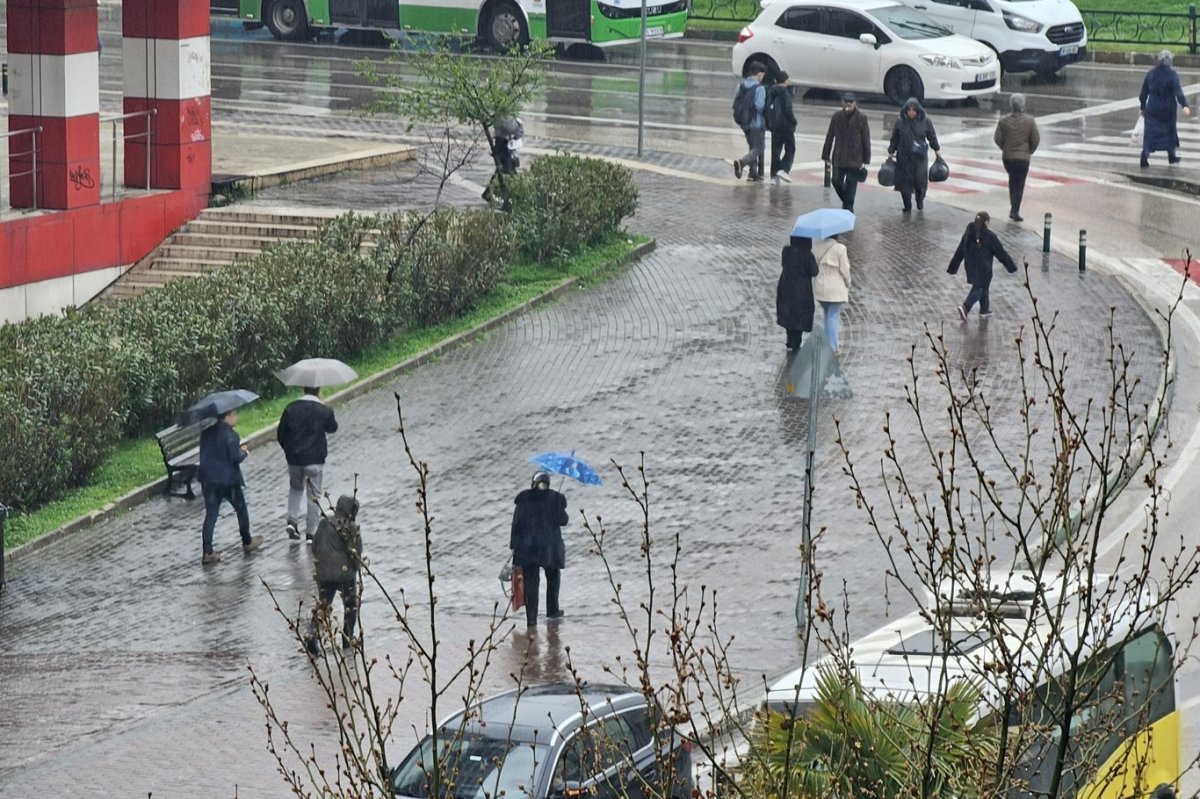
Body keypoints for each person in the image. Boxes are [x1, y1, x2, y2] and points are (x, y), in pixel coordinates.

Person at [198, 408, 262, 564]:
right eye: (234, 414)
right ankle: (247, 541)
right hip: (228, 481)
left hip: (209, 480)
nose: (236, 417)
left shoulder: (206, 433)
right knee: (241, 509)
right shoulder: (231, 435)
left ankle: (207, 552)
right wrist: (244, 452)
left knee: (211, 515)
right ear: (227, 417)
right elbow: (235, 458)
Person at [277, 386, 339, 542]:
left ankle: (292, 521)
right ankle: (311, 532)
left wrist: (288, 450)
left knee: (296, 489)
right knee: (314, 496)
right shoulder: (323, 410)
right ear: (318, 390)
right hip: (315, 460)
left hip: (294, 460)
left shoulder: (290, 409)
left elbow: (281, 433)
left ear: (303, 390)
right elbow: (333, 428)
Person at [510, 471, 569, 628]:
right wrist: (557, 503)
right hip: (549, 548)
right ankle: (552, 611)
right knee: (552, 578)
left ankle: (532, 619)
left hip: (529, 549)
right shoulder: (554, 498)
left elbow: (516, 525)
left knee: (532, 584)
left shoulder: (523, 499)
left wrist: (514, 548)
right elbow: (564, 520)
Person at [305, 494, 362, 654]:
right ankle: (347, 639)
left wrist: (321, 566)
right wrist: (354, 569)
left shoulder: (324, 523)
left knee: (323, 606)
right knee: (350, 607)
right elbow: (356, 553)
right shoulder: (351, 527)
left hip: (324, 573)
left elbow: (315, 546)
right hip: (344, 574)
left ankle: (312, 635)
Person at [947, 211, 1018, 322]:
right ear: (986, 222)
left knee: (983, 287)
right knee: (980, 288)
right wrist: (1011, 267)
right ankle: (966, 307)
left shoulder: (968, 233)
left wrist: (953, 267)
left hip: (970, 266)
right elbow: (1001, 253)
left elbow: (960, 250)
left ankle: (984, 310)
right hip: (984, 268)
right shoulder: (990, 236)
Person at [1139, 50, 1192, 168]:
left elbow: (1143, 94)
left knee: (1150, 134)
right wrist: (1185, 106)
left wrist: (1143, 108)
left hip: (1152, 109)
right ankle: (1172, 155)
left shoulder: (1151, 74)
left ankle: (1145, 155)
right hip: (1168, 110)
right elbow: (1178, 93)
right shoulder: (1172, 75)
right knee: (1170, 132)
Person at [888, 97, 940, 213]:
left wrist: (936, 149)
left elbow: (932, 136)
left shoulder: (925, 121)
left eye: (913, 110)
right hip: (904, 157)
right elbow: (895, 138)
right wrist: (891, 151)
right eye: (909, 110)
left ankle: (920, 198)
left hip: (919, 158)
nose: (911, 113)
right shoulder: (900, 122)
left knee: (920, 182)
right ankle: (907, 205)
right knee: (904, 183)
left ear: (918, 110)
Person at [821, 92, 871, 213]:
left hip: (855, 157)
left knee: (851, 183)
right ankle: (847, 202)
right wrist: (825, 154)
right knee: (836, 181)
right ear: (842, 103)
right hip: (839, 156)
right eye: (846, 101)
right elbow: (830, 135)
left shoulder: (861, 118)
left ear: (855, 103)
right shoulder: (837, 116)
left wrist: (866, 159)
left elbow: (866, 139)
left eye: (851, 102)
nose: (848, 104)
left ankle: (849, 208)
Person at [993, 93, 1040, 222]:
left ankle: (1013, 204)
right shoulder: (1030, 121)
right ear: (1023, 105)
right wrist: (1029, 151)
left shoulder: (1003, 121)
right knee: (1020, 184)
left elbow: (997, 139)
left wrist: (1005, 148)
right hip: (1023, 158)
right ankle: (1015, 210)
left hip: (1008, 158)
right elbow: (1035, 139)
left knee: (1012, 180)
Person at [776, 235, 820, 352]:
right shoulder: (807, 255)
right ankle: (796, 342)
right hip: (802, 289)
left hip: (785, 286)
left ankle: (790, 339)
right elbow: (814, 271)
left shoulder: (787, 252)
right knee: (799, 315)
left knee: (788, 313)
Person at [812, 234, 852, 352]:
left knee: (827, 315)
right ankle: (832, 347)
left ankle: (827, 344)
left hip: (821, 286)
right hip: (835, 287)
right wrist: (848, 282)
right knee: (833, 316)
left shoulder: (817, 247)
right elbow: (845, 269)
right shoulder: (840, 248)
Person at [733, 64, 768, 182]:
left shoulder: (741, 86)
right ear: (759, 74)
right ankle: (742, 163)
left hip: (743, 122)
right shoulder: (760, 88)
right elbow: (759, 106)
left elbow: (736, 101)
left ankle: (753, 173)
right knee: (759, 147)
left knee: (752, 146)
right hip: (755, 122)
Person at [767, 72, 797, 183]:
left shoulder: (771, 91)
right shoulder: (785, 92)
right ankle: (784, 169)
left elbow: (767, 108)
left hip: (775, 126)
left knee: (775, 150)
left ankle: (773, 176)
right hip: (786, 126)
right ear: (785, 80)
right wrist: (794, 121)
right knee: (791, 148)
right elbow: (788, 110)